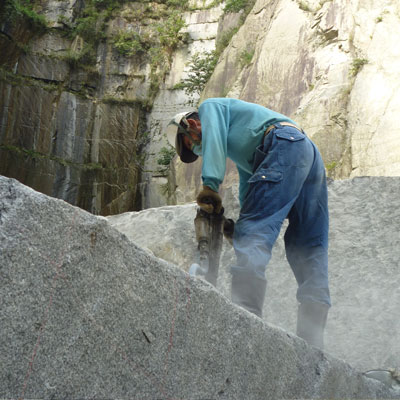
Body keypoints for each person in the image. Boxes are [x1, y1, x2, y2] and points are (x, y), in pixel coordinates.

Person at [165, 98, 331, 349]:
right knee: (307, 245)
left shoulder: (211, 108)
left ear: (192, 123)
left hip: (282, 144)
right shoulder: (247, 145)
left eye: (192, 143)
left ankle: (245, 316)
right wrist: (239, 229)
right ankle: (313, 339)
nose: (196, 148)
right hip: (305, 152)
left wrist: (210, 187)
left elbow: (214, 146)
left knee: (256, 230)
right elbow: (249, 185)